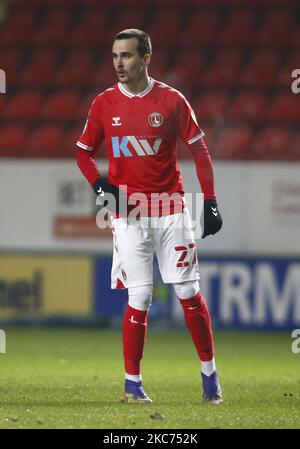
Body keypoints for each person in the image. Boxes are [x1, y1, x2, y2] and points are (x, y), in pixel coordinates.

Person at [76, 29, 223, 405]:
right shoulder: (104, 103)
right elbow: (83, 153)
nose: (118, 64)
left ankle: (210, 378)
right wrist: (99, 187)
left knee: (188, 291)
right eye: (114, 56)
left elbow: (201, 152)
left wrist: (210, 202)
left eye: (126, 56)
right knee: (139, 297)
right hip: (128, 217)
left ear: (146, 58)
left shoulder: (171, 100)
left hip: (172, 211)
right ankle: (133, 385)